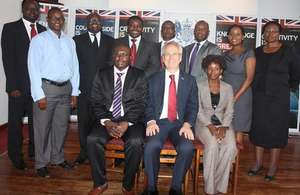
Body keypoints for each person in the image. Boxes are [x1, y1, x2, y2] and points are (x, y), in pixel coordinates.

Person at [86, 43, 148, 195]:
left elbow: (141, 103)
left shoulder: (139, 76)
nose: (121, 57)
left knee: (135, 142)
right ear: (112, 56)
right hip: (106, 118)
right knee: (92, 139)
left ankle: (128, 185)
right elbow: (95, 101)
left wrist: (126, 122)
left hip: (131, 120)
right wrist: (107, 121)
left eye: (125, 54)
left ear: (130, 58)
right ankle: (100, 183)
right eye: (118, 54)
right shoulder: (101, 74)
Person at [27, 7, 80, 178]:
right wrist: (38, 95)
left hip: (66, 89)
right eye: (54, 18)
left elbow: (75, 68)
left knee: (61, 127)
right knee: (42, 128)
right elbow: (33, 68)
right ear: (48, 20)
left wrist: (75, 91)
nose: (58, 21)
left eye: (60, 18)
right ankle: (41, 163)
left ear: (63, 21)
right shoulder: (39, 40)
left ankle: (58, 158)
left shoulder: (69, 41)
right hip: (46, 89)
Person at [143, 41, 199, 195]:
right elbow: (148, 105)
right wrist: (151, 121)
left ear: (180, 58)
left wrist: (188, 124)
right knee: (151, 146)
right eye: (168, 54)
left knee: (187, 147)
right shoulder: (153, 80)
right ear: (163, 58)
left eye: (175, 53)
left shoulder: (190, 81)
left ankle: (175, 188)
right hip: (159, 122)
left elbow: (193, 107)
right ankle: (151, 189)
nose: (171, 57)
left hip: (180, 124)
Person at [248, 21, 300, 181]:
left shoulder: (288, 50)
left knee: (276, 131)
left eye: (274, 31)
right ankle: (258, 163)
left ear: (279, 33)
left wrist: (288, 88)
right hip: (259, 97)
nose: (270, 33)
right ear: (263, 34)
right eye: (267, 31)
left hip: (278, 99)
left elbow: (296, 72)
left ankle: (272, 165)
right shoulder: (257, 51)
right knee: (258, 129)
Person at [1, 0, 47, 170]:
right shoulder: (10, 28)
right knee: (15, 123)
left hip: (37, 88)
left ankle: (33, 151)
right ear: (22, 9)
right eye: (29, 8)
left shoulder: (43, 31)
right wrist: (13, 86)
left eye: (36, 9)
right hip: (18, 88)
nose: (32, 11)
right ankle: (15, 155)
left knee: (37, 122)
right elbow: (8, 59)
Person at [73, 12, 114, 165]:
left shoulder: (111, 41)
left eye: (97, 20)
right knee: (83, 123)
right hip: (84, 90)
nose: (94, 22)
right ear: (86, 24)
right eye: (91, 20)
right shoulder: (77, 41)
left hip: (104, 93)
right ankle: (84, 152)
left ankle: (98, 152)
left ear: (102, 24)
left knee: (101, 123)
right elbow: (73, 66)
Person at [195, 54, 237, 195]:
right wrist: (210, 126)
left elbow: (230, 110)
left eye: (216, 69)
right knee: (212, 145)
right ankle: (210, 189)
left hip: (223, 125)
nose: (213, 72)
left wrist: (224, 127)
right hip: (203, 125)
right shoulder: (198, 86)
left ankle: (219, 186)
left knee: (231, 147)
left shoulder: (228, 88)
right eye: (210, 68)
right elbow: (197, 110)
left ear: (221, 70)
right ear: (205, 69)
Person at [222, 24, 256, 143]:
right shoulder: (225, 54)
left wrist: (235, 97)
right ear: (227, 36)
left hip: (241, 94)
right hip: (226, 93)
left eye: (237, 34)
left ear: (243, 37)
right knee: (225, 125)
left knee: (238, 127)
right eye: (231, 34)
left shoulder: (248, 53)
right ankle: (226, 157)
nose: (234, 37)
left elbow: (249, 78)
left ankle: (234, 159)